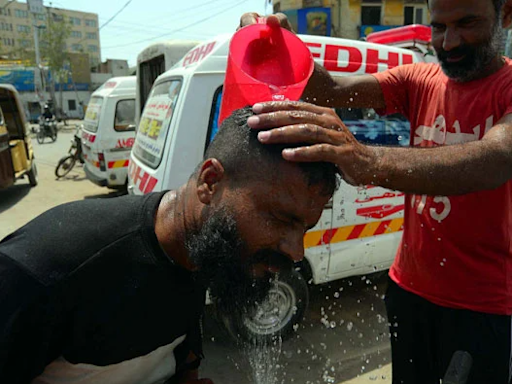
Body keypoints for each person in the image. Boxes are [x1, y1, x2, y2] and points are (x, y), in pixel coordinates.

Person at [241, 0, 512, 383]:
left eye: (467, 23)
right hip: (407, 292)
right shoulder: (419, 81)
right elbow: (328, 88)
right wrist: (281, 47)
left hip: (482, 307)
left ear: (506, 14)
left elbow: (497, 158)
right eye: (438, 27)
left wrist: (368, 162)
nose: (449, 42)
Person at [0, 107, 338, 384]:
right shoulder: (48, 267)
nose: (296, 251)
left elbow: (180, 359)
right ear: (211, 182)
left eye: (306, 228)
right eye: (280, 219)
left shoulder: (209, 251)